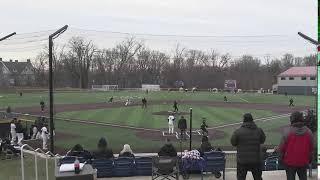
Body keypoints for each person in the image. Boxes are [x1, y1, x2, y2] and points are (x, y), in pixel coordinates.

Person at [276, 111, 313, 180]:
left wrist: (280, 159)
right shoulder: (309, 132)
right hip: (303, 162)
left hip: (290, 163)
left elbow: (281, 149)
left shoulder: (287, 131)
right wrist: (310, 159)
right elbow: (311, 148)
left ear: (292, 119)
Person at [231, 113, 266, 180]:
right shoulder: (259, 130)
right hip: (256, 160)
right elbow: (262, 140)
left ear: (244, 120)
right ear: (252, 120)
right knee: (258, 178)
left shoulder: (238, 131)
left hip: (242, 160)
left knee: (241, 178)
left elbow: (233, 143)